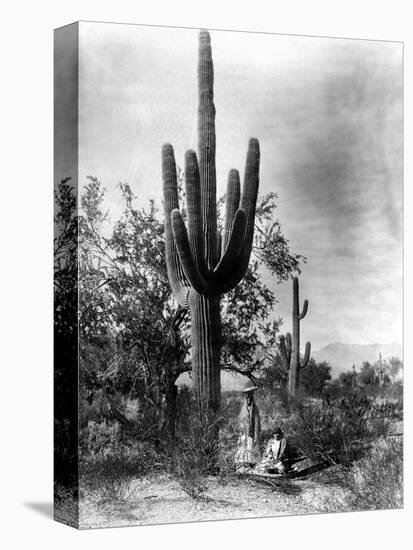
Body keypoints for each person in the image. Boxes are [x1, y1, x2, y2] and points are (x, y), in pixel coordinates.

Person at [234, 381, 261, 469]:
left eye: (250, 399)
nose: (249, 400)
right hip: (243, 432)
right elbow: (240, 420)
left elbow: (257, 422)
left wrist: (256, 433)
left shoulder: (255, 409)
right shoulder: (243, 410)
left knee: (251, 445)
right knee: (243, 446)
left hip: (251, 432)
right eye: (247, 399)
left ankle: (251, 463)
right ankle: (243, 463)